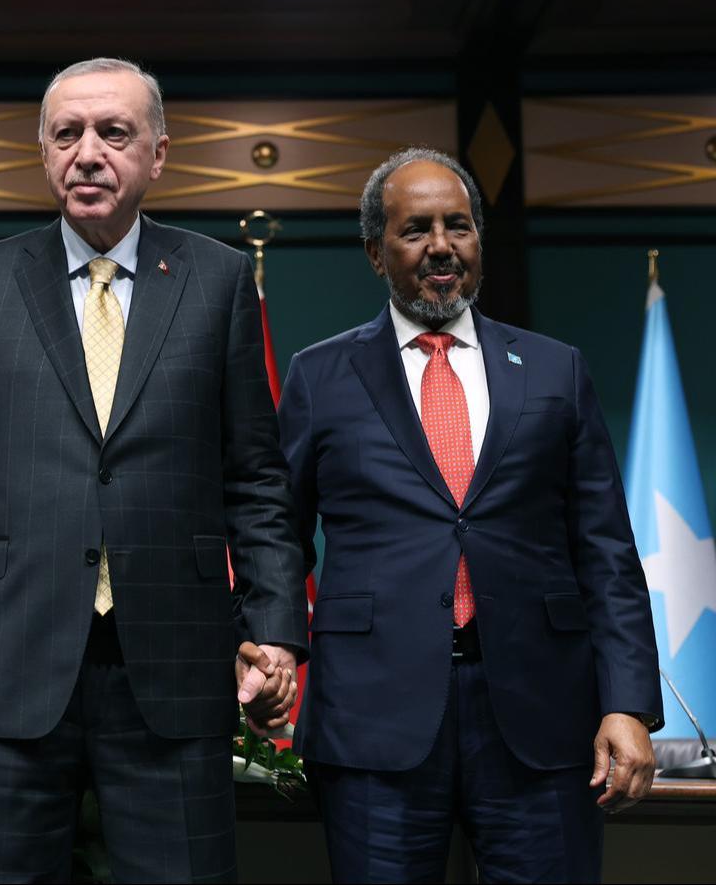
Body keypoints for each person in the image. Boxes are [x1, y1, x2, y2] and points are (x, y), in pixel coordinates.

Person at [0, 58, 308, 883]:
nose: (88, 152)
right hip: (7, 664)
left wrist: (277, 629)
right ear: (43, 155)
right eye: (66, 133)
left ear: (157, 153)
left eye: (113, 133)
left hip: (177, 664)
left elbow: (256, 478)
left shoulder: (220, 280)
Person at [279, 147, 663, 883]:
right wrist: (271, 650)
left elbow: (607, 551)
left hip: (542, 716)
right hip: (373, 717)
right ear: (374, 251)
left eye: (459, 226)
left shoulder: (556, 369)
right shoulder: (319, 374)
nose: (441, 246)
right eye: (416, 229)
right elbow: (278, 538)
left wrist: (628, 705)